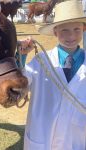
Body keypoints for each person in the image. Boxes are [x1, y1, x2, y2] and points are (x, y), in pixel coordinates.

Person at [23, 0, 86, 149]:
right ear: (55, 31)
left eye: (77, 29)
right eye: (64, 30)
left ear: (84, 29)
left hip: (77, 138)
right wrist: (22, 57)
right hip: (43, 137)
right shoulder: (41, 61)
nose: (71, 36)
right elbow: (22, 82)